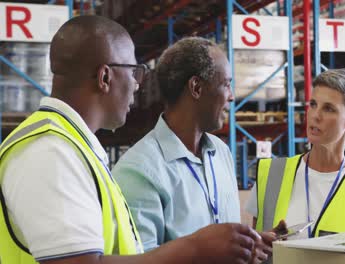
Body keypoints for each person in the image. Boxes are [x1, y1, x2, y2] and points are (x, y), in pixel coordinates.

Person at [0, 15, 264, 264]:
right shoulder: (51, 153)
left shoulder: (73, 147)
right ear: (105, 77)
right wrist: (195, 248)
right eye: (134, 72)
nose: (138, 85)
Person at [112, 37, 274, 261]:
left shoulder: (221, 152)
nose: (232, 96)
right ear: (196, 87)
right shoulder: (138, 172)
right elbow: (140, 260)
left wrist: (249, 247)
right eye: (226, 84)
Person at [245, 68, 345, 239]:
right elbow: (255, 252)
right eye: (313, 104)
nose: (315, 115)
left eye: (329, 109)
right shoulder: (271, 175)